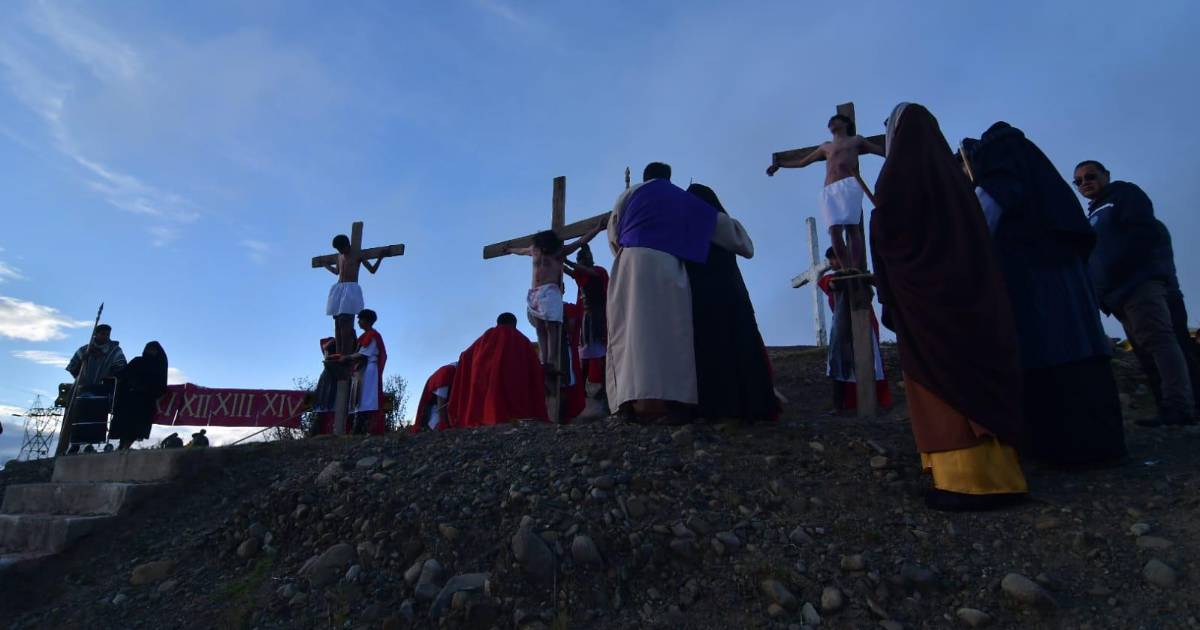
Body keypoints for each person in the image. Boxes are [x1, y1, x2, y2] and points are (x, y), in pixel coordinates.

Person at [872, 103, 1028, 511]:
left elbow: (893, 236)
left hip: (927, 305)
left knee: (940, 381)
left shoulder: (898, 180)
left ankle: (963, 483)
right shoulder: (958, 184)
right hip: (971, 301)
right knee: (974, 378)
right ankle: (1003, 476)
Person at [958, 124, 1126, 466]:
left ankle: (1058, 450)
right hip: (1069, 285)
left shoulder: (1000, 183)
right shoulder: (1048, 188)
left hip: (1033, 288)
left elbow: (977, 231)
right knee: (1082, 356)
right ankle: (1102, 447)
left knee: (1046, 356)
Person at [606, 162, 753, 424]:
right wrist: (742, 240)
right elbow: (723, 229)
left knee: (628, 334)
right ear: (669, 178)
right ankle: (670, 403)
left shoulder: (629, 196)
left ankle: (628, 402)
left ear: (645, 176)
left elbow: (613, 232)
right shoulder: (680, 198)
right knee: (669, 336)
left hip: (628, 264)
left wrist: (625, 254)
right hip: (665, 264)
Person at [1073, 160, 1196, 426]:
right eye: (1079, 181)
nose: (1085, 183)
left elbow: (1144, 233)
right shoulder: (1093, 215)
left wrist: (1128, 268)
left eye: (1090, 176)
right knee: (1144, 348)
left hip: (1138, 283)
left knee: (1159, 341)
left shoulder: (1123, 196)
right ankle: (1167, 406)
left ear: (1106, 175)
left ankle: (1181, 406)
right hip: (1116, 294)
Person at [681, 183, 777, 422]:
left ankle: (713, 407)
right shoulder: (718, 219)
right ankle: (751, 405)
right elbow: (745, 246)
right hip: (728, 292)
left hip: (700, 297)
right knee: (738, 345)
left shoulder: (684, 225)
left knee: (708, 349)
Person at [768, 114, 885, 274]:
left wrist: (902, 151)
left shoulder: (856, 140)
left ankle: (856, 268)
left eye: (835, 120)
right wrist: (780, 164)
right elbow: (803, 162)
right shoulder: (825, 147)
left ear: (845, 124)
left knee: (852, 228)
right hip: (829, 190)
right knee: (834, 231)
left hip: (848, 186)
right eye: (830, 121)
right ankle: (845, 268)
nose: (831, 123)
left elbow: (880, 150)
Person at [505, 223, 606, 378]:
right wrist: (510, 250)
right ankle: (544, 361)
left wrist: (597, 229)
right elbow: (521, 250)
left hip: (551, 292)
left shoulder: (558, 253)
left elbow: (580, 242)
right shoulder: (535, 251)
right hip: (535, 293)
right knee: (540, 328)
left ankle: (551, 361)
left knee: (552, 328)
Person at [817, 248, 893, 413]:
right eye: (830, 260)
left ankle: (872, 399)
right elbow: (828, 283)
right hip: (842, 327)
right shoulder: (832, 277)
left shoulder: (859, 275)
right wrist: (837, 277)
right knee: (840, 364)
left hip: (864, 323)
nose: (832, 263)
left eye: (834, 258)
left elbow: (877, 285)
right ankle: (840, 404)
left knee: (869, 361)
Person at [445, 313, 549, 428]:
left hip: (484, 379)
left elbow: (465, 356)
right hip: (510, 383)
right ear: (514, 324)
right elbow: (533, 366)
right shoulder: (520, 338)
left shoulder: (484, 338)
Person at [64, 324, 127, 451]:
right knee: (78, 416)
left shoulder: (114, 351)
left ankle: (91, 444)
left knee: (97, 417)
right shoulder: (84, 350)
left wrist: (108, 374)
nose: (105, 336)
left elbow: (121, 368)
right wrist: (83, 361)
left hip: (102, 389)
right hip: (83, 388)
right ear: (95, 334)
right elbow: (72, 368)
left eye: (107, 334)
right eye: (102, 334)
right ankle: (75, 445)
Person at [323, 234, 385, 359]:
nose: (340, 251)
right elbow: (337, 272)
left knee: (346, 320)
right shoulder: (339, 257)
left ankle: (345, 353)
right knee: (337, 322)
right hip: (339, 289)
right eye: (338, 250)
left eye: (342, 248)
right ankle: (338, 352)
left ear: (348, 245)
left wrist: (380, 257)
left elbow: (372, 270)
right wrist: (326, 265)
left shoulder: (357, 255)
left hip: (351, 289)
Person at [563, 243, 609, 400]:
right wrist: (557, 261)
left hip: (599, 315)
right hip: (587, 318)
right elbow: (571, 272)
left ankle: (605, 387)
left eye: (582, 259)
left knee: (603, 354)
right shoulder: (581, 274)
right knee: (585, 356)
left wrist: (566, 260)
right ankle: (581, 389)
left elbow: (586, 272)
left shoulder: (598, 271)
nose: (581, 261)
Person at [109, 341, 169, 450]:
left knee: (135, 429)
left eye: (153, 350)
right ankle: (122, 447)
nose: (150, 352)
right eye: (148, 349)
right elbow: (123, 375)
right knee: (124, 426)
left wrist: (146, 390)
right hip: (128, 400)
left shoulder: (159, 366)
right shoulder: (137, 361)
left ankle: (125, 448)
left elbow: (160, 386)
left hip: (144, 403)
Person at [340, 309, 387, 435]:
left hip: (368, 370)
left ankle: (363, 428)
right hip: (361, 370)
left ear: (367, 321)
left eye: (360, 319)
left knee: (366, 399)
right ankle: (357, 427)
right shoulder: (366, 336)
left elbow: (362, 355)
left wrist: (347, 358)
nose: (359, 322)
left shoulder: (372, 336)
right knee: (359, 398)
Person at [414, 363, 457, 431]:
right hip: (432, 407)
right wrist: (444, 425)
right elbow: (441, 405)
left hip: (446, 404)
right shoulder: (447, 372)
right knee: (438, 425)